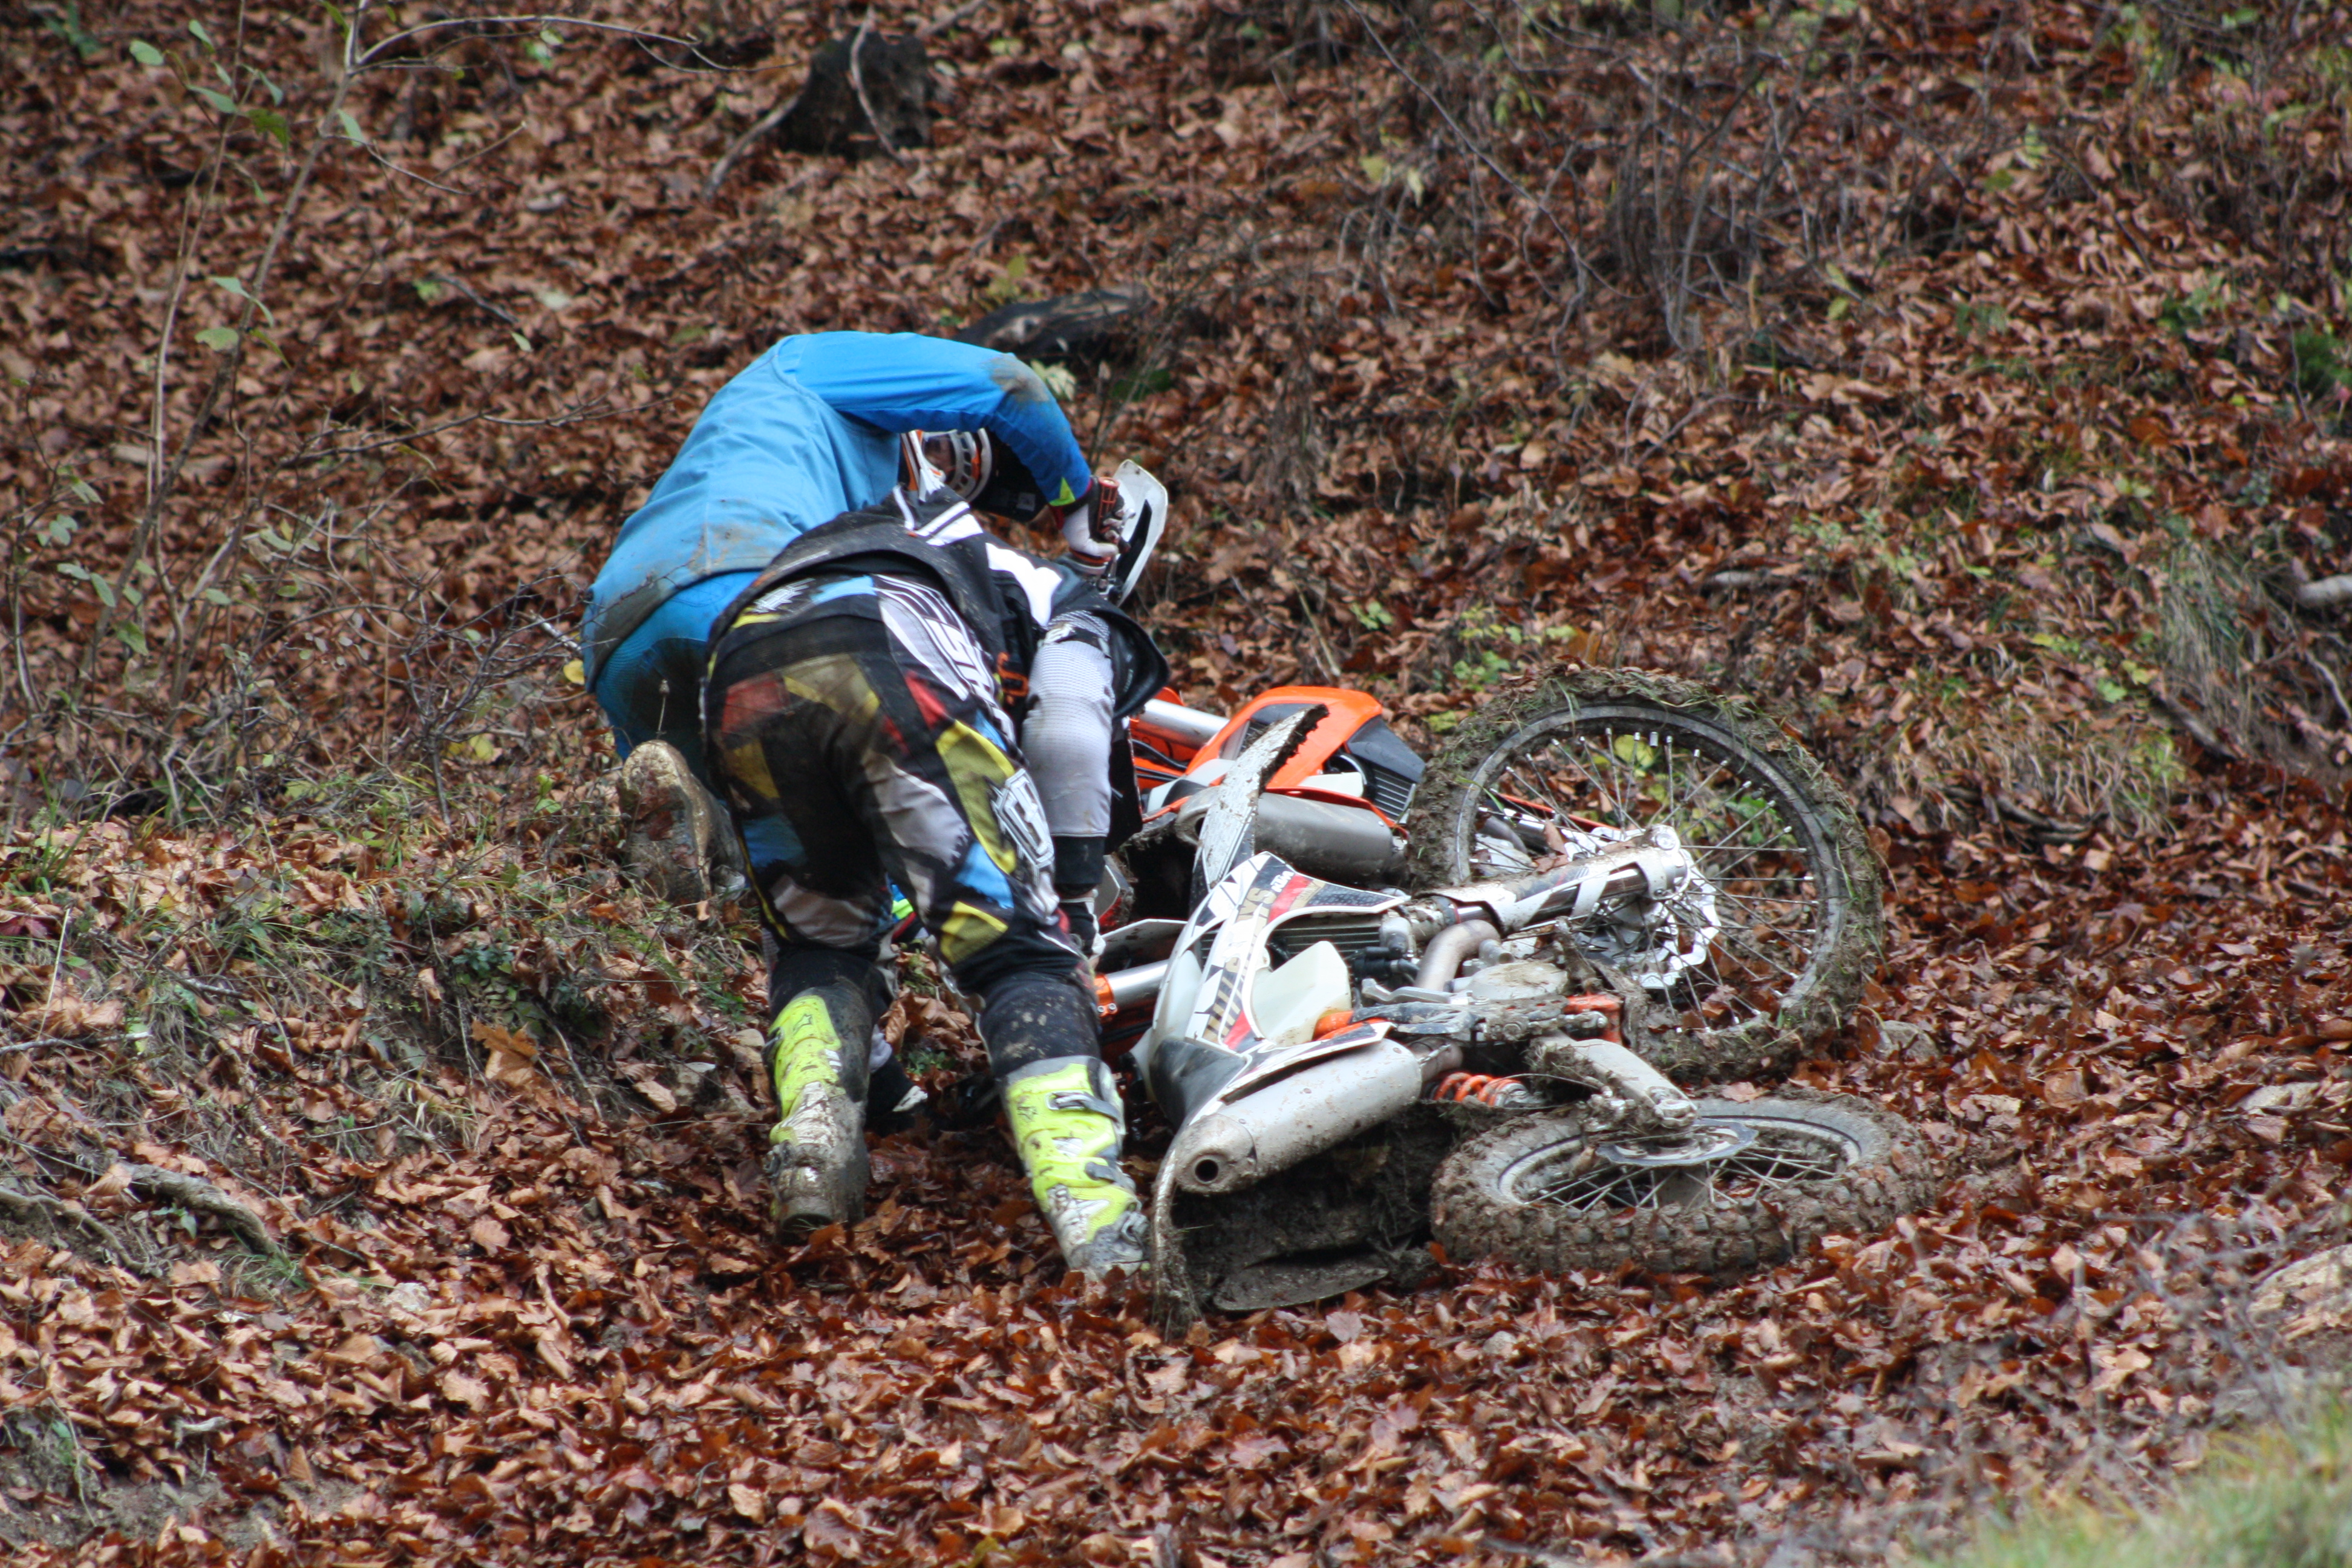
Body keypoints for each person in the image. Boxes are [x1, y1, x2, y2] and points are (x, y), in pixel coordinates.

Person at [699, 457, 1169, 1278]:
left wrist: (893, 1100)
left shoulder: (927, 545)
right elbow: (1068, 725)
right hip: (888, 640)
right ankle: (1099, 1223)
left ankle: (812, 1147)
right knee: (1024, 955)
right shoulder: (1068, 598)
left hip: (741, 654)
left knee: (820, 946)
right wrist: (1070, 896)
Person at [580, 330, 1119, 906]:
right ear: (926, 422)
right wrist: (1077, 499)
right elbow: (1011, 386)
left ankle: (704, 840)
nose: (941, 472)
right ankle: (982, 915)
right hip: (751, 584)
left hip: (620, 626)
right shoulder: (806, 363)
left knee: (769, 868)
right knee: (883, 813)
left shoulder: (788, 437)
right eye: (945, 455)